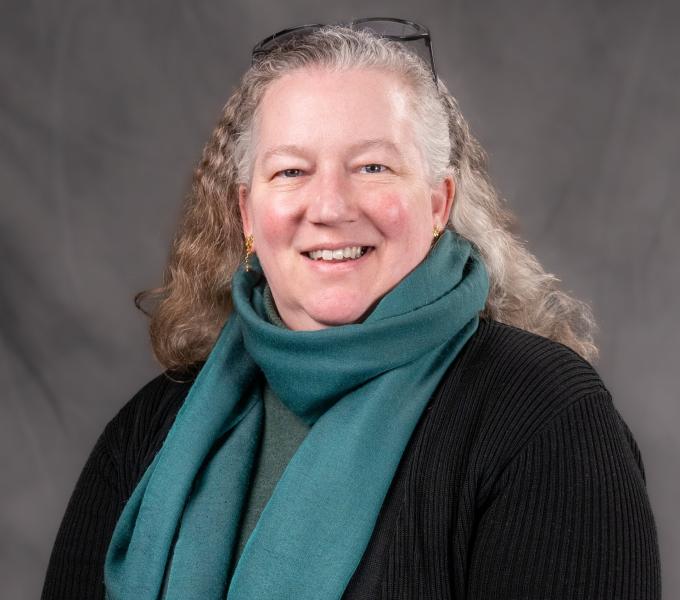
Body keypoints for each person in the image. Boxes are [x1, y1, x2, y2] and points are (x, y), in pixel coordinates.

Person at [42, 20, 660, 600]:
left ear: (440, 201)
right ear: (247, 213)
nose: (330, 205)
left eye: (372, 166)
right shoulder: (154, 425)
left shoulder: (546, 416)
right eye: (291, 171)